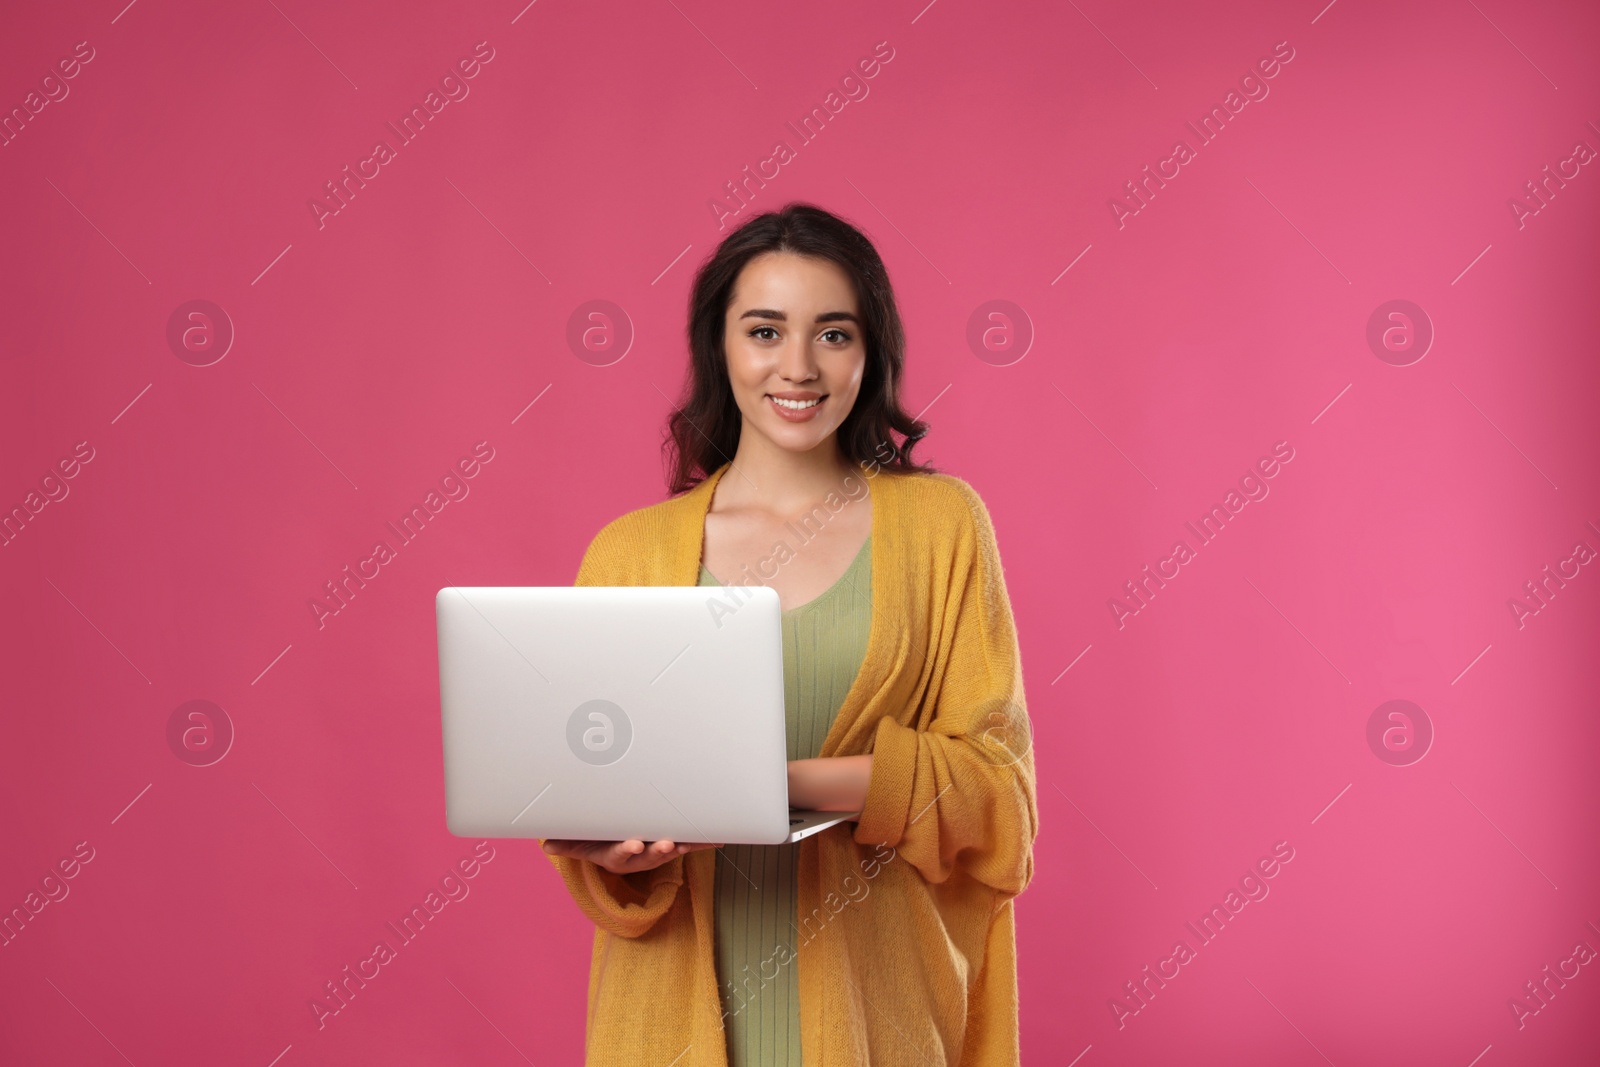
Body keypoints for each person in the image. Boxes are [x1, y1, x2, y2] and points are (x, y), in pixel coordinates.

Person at [542, 202, 1037, 1066]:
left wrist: (784, 788)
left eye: (833, 334)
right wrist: (615, 850)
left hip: (877, 1017)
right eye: (764, 330)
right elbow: (602, 819)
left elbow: (1001, 802)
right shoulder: (628, 552)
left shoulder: (943, 526)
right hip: (669, 1022)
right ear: (720, 347)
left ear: (870, 350)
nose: (798, 366)